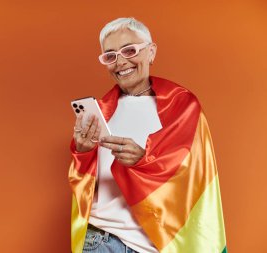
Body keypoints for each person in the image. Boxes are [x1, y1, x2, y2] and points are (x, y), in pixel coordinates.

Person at [68, 17, 227, 253]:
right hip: (100, 241)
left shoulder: (182, 106)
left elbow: (193, 175)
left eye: (129, 50)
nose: (120, 61)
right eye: (110, 56)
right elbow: (86, 182)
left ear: (151, 52)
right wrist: (82, 151)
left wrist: (144, 161)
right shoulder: (101, 110)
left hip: (158, 244)